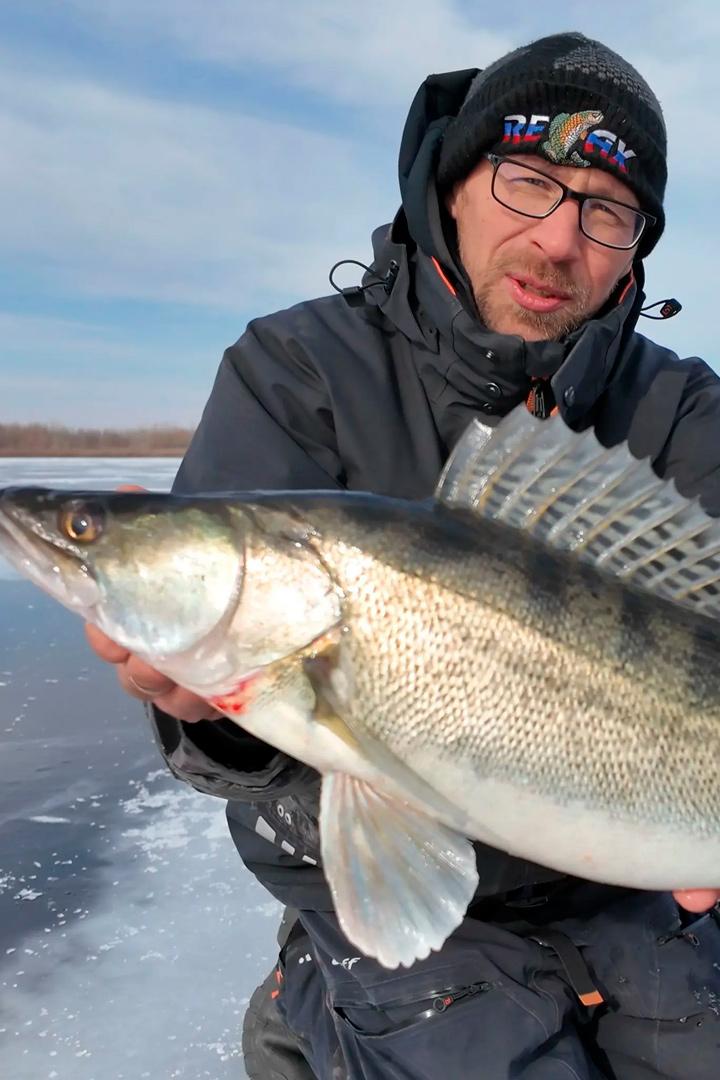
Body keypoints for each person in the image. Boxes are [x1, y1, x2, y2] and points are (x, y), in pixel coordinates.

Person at [87, 32, 720, 1079]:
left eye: (606, 211)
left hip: (632, 880)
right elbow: (228, 726)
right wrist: (209, 713)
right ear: (454, 186)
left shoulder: (683, 411)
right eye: (527, 182)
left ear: (635, 248)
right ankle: (307, 1005)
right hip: (387, 894)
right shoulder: (297, 369)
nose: (560, 240)